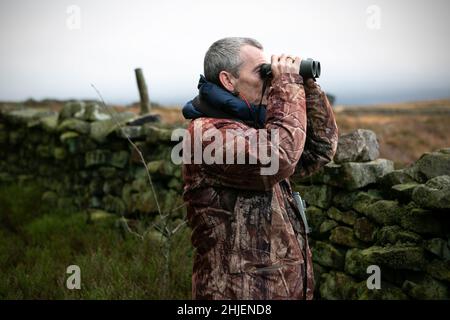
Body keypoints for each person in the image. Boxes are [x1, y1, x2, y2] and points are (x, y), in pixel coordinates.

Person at [181, 37, 338, 299]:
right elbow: (278, 158)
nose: (269, 79)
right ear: (228, 80)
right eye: (261, 71)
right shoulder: (207, 134)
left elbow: (318, 150)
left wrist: (307, 87)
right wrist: (286, 83)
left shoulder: (255, 127)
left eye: (269, 71)